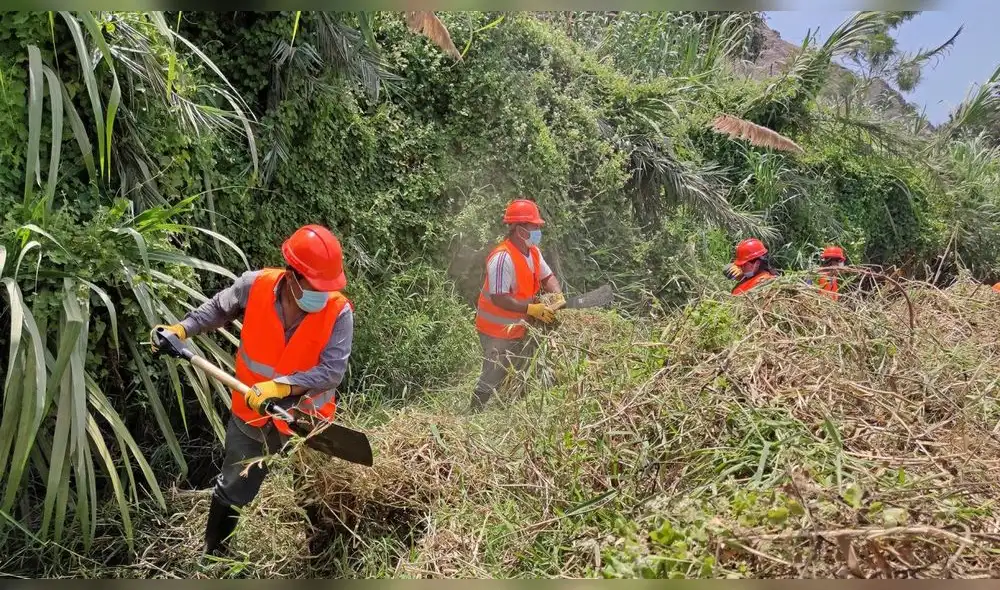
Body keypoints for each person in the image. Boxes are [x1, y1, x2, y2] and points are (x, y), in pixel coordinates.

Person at [151, 224, 354, 557]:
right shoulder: (254, 285)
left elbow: (333, 370)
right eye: (315, 286)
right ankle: (215, 552)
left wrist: (279, 386)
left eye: (327, 286)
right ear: (292, 275)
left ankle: (321, 555)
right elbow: (217, 309)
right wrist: (182, 329)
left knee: (315, 490)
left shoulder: (338, 311)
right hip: (252, 415)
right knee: (234, 484)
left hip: (305, 419)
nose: (322, 294)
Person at [471, 198, 564, 412]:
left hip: (519, 326)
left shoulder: (533, 253)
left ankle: (507, 410)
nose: (538, 230)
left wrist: (557, 296)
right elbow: (499, 297)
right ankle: (473, 414)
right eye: (534, 227)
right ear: (520, 229)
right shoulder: (502, 258)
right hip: (495, 329)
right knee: (493, 373)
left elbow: (548, 277)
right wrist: (532, 309)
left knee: (517, 369)